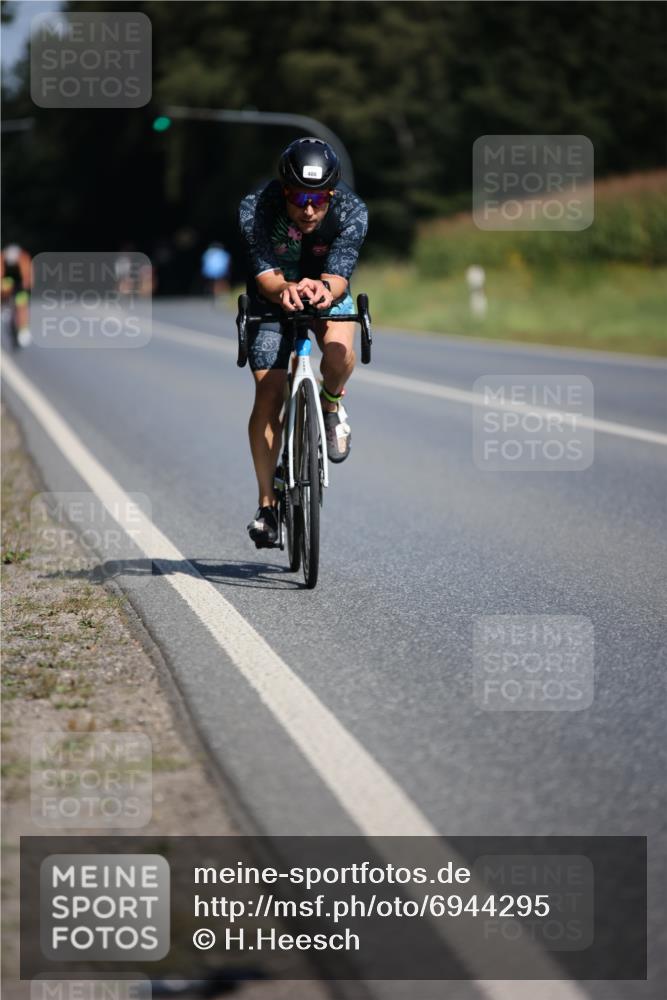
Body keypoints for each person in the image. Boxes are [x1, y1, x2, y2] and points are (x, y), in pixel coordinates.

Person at [238, 136, 368, 547]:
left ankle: (330, 404)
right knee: (269, 391)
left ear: (331, 192)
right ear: (283, 189)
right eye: (297, 197)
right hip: (272, 296)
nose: (309, 208)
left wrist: (324, 290)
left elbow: (340, 272)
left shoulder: (352, 210)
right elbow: (265, 272)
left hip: (326, 289)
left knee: (340, 352)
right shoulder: (255, 207)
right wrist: (283, 291)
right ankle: (267, 505)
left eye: (318, 198)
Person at [1, 243, 32, 346]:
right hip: (6, 284)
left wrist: (26, 285)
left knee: (22, 305)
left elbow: (28, 275)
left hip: (20, 286)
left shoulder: (23, 258)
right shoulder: (2, 259)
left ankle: (23, 330)